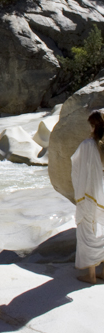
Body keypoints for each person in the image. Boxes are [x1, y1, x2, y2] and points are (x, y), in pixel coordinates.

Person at [71, 109, 104, 284]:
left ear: (93, 126)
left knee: (87, 232)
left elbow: (77, 168)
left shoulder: (87, 145)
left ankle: (91, 275)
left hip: (90, 195)